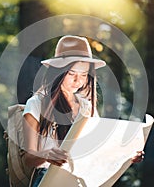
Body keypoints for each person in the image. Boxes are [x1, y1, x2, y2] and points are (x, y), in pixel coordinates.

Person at [21, 35, 144, 186]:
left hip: (80, 178)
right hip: (48, 177)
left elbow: (97, 151)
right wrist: (46, 155)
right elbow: (28, 158)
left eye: (84, 75)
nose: (78, 81)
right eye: (71, 74)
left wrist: (126, 156)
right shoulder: (36, 104)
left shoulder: (87, 107)